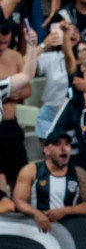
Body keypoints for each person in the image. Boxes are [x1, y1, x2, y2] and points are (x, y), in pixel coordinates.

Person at [12, 129, 86, 233]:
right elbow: (18, 201)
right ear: (46, 150)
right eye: (57, 144)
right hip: (36, 229)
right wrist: (36, 213)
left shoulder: (79, 173)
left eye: (67, 144)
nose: (63, 148)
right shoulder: (31, 170)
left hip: (69, 232)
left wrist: (65, 211)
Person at [0, 26, 37, 193]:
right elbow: (28, 74)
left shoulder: (14, 58)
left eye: (6, 43)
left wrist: (32, 46)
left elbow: (27, 76)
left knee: (19, 174)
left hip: (10, 126)